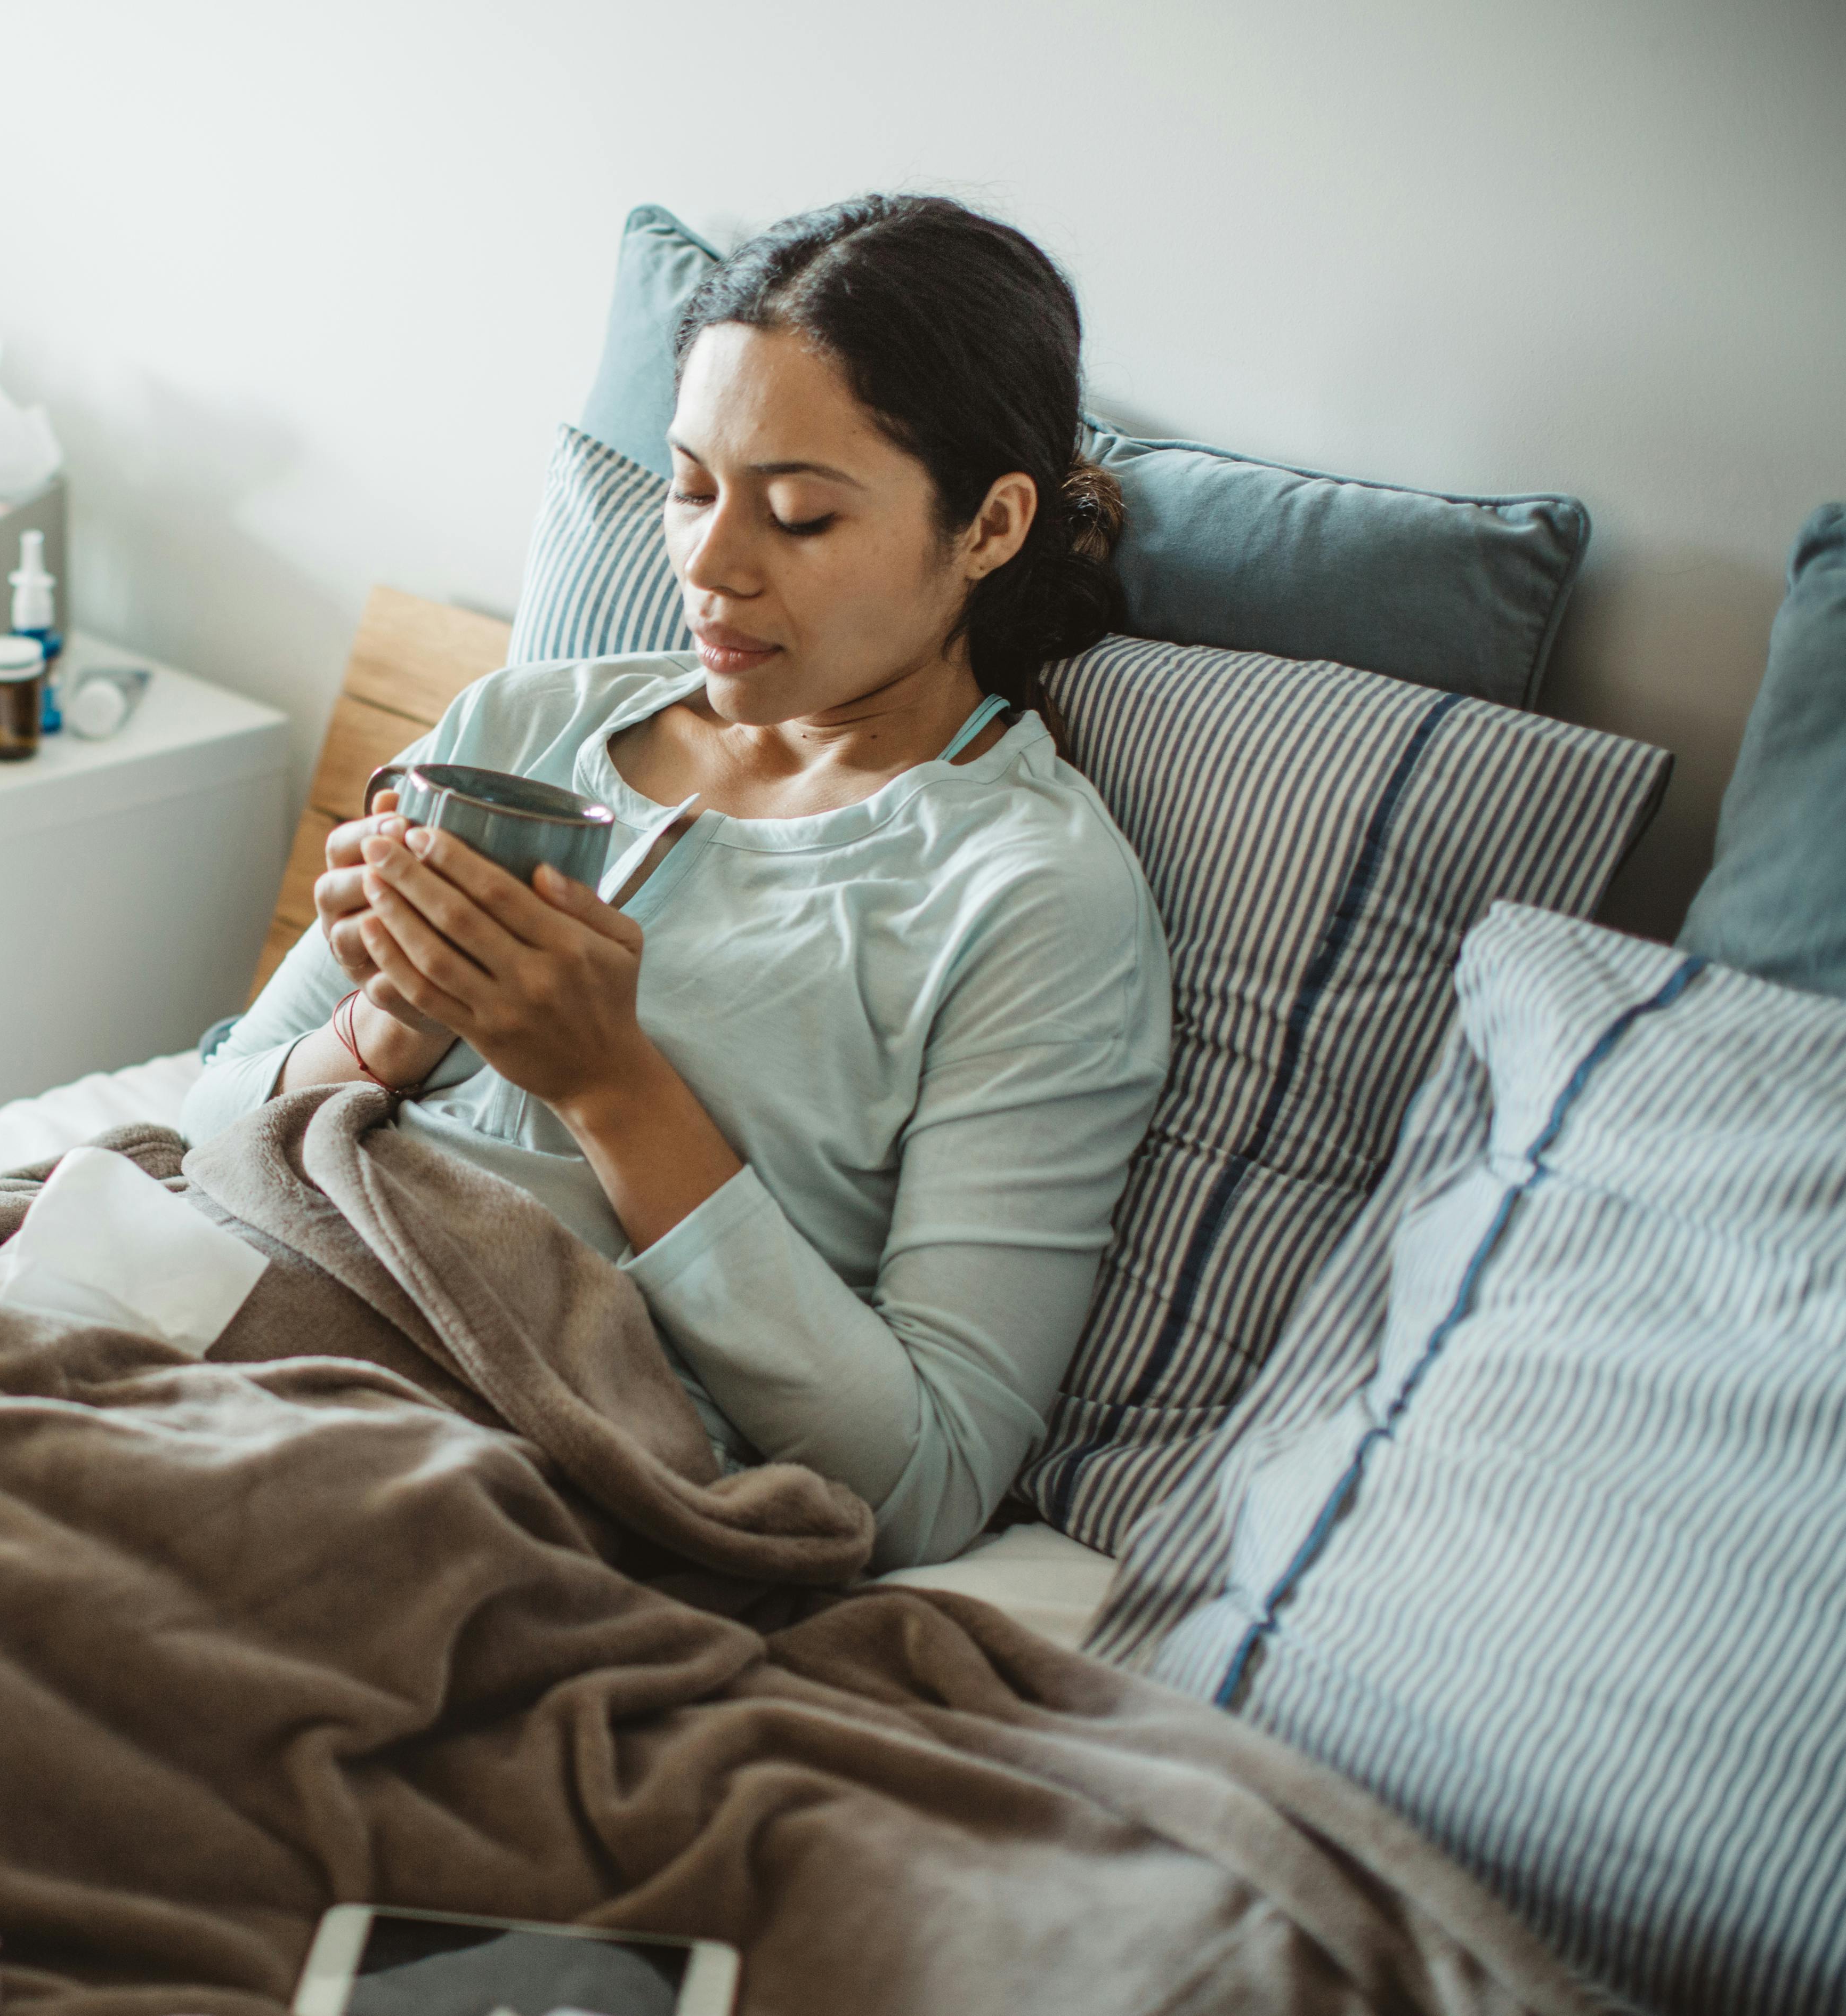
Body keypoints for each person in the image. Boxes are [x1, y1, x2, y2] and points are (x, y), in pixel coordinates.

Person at [180, 195, 1172, 1571]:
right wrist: (388, 1031)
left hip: (463, 1459)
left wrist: (610, 1088)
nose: (706, 567)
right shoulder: (515, 725)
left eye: (801, 516)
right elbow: (204, 1116)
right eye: (690, 487)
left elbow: (930, 1477)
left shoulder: (1025, 898)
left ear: (992, 526)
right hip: (215, 1292)